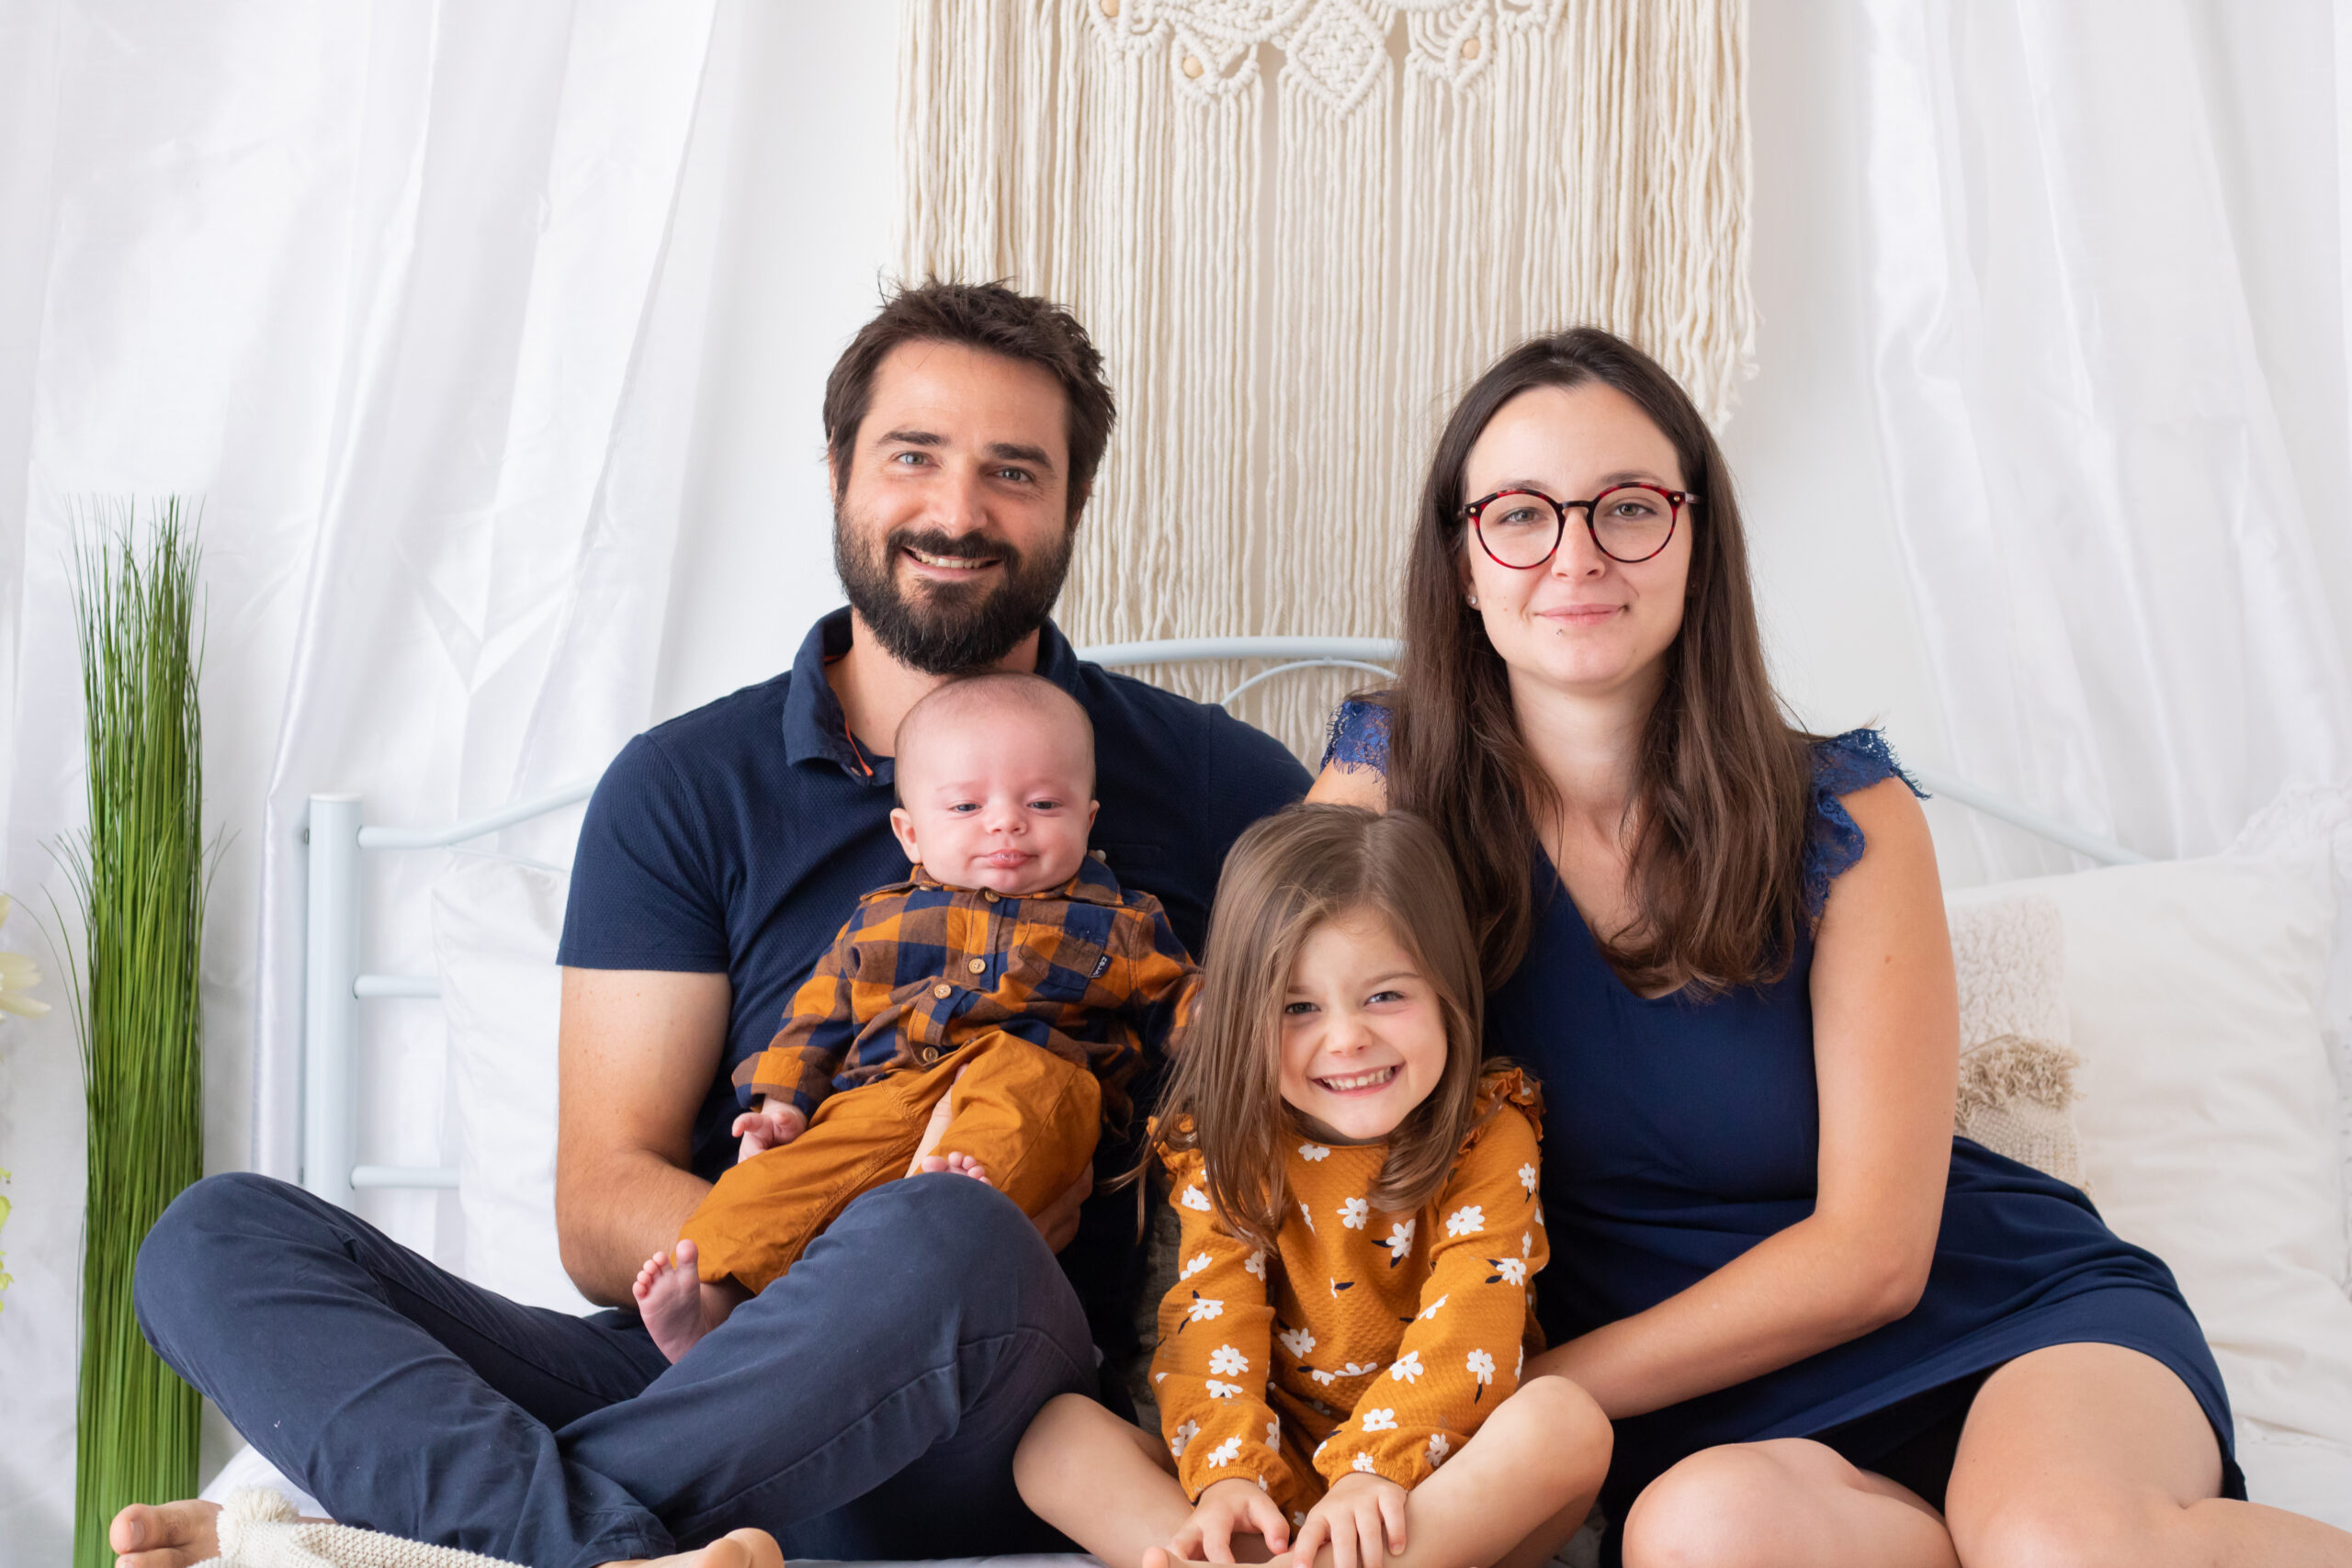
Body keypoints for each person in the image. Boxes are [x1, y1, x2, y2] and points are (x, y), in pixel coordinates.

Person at [112, 280, 1310, 1568]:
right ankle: (615, 1544)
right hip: (703, 1354)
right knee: (213, 1233)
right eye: (914, 456)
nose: (957, 512)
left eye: (1013, 471)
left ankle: (370, 1523)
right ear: (842, 471)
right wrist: (817, 1259)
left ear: (1071, 505)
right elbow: (602, 1201)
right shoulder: (688, 785)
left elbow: (1365, 1035)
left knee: (941, 1225)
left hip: (983, 1392)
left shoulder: (1209, 781)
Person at [1309, 326, 2352, 1568]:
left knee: (2058, 1543)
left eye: (1628, 507)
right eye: (1522, 515)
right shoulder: (1383, 788)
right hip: (1705, 1430)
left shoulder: (1844, 814)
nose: (1577, 554)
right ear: (1462, 562)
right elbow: (1258, 1100)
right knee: (1698, 1535)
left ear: (1697, 541)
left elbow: (1876, 1256)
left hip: (2000, 1320)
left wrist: (1504, 1387)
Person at [1015, 804, 1611, 1568]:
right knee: (1056, 1438)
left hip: (1429, 1492)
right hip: (1273, 1490)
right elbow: (1210, 1321)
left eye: (1386, 995)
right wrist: (1228, 1475)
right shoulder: (1226, 1144)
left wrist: (1375, 1470)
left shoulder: (1488, 1131)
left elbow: (1474, 1326)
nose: (1347, 1037)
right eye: (1298, 1007)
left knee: (1566, 1419)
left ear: (1447, 993)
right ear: (1244, 1017)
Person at [635, 671, 1200, 1361]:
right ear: (910, 833)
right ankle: (712, 1309)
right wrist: (782, 1102)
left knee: (1033, 1095)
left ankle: (945, 1218)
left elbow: (1189, 1007)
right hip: (884, 1094)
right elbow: (819, 1013)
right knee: (775, 1182)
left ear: (1087, 818)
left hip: (1035, 1078)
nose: (1005, 822)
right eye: (965, 806)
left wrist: (1242, 1034)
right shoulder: (878, 918)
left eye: (1044, 802)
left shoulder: (1123, 923)